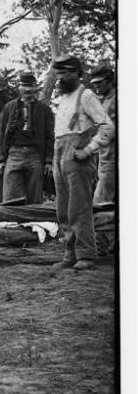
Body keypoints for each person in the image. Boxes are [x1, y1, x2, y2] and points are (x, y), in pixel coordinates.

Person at [51, 53, 114, 271]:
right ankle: (70, 255)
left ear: (78, 73)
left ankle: (86, 255)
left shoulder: (86, 96)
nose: (62, 77)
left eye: (67, 72)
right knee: (63, 210)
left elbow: (107, 127)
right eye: (59, 73)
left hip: (78, 158)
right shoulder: (63, 99)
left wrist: (88, 149)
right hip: (59, 155)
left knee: (79, 209)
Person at [0, 71, 54, 205]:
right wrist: (0, 159)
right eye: (24, 86)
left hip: (35, 156)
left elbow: (50, 137)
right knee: (10, 198)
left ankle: (32, 225)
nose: (28, 90)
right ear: (19, 88)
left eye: (31, 87)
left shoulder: (44, 109)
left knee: (34, 199)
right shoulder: (9, 107)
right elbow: (1, 135)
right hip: (14, 154)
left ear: (35, 89)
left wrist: (49, 161)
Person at [88, 65, 116, 206]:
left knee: (101, 205)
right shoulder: (104, 100)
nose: (96, 86)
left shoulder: (114, 100)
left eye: (99, 82)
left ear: (109, 81)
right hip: (104, 158)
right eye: (93, 84)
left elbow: (108, 131)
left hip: (111, 158)